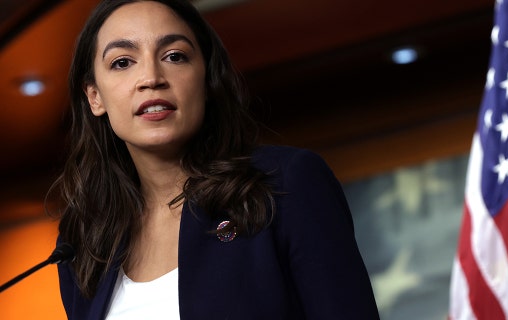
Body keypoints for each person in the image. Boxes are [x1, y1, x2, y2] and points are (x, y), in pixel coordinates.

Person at [47, 0, 380, 319]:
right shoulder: (82, 239)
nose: (151, 77)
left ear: (206, 79)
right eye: (122, 62)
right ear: (95, 96)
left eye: (174, 56)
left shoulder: (286, 183)